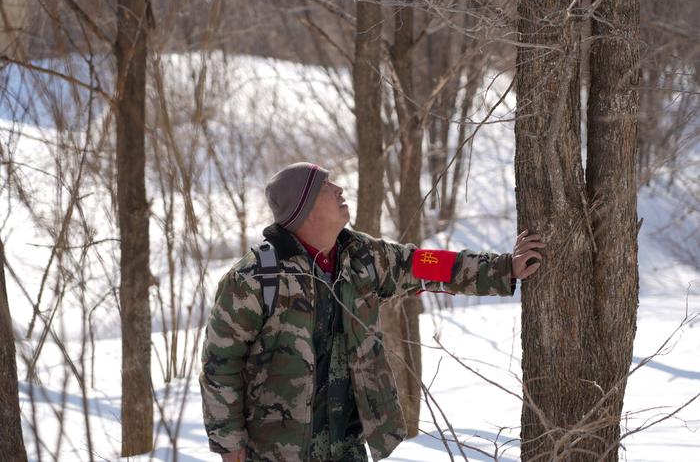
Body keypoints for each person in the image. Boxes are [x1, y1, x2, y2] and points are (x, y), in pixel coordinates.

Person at [200, 162, 544, 462]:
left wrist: (503, 268)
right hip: (278, 451)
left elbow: (424, 265)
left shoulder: (361, 255)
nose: (339, 188)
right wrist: (229, 444)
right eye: (325, 186)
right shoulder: (255, 278)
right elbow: (220, 364)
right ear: (303, 208)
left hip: (347, 445)